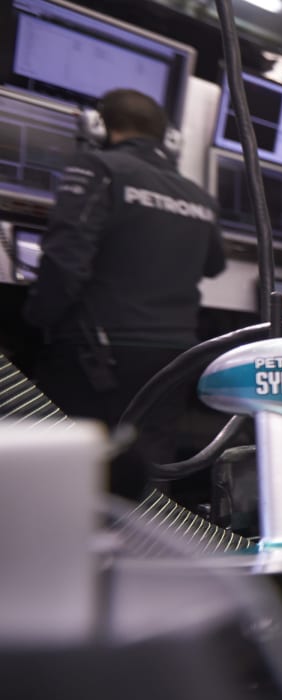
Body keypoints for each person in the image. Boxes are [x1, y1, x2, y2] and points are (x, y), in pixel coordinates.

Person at [23, 88, 225, 492]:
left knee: (78, 474)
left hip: (101, 353)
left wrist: (36, 322)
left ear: (99, 126)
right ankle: (145, 550)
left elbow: (64, 260)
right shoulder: (199, 196)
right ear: (167, 138)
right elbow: (214, 264)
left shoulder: (97, 167)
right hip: (175, 357)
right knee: (149, 471)